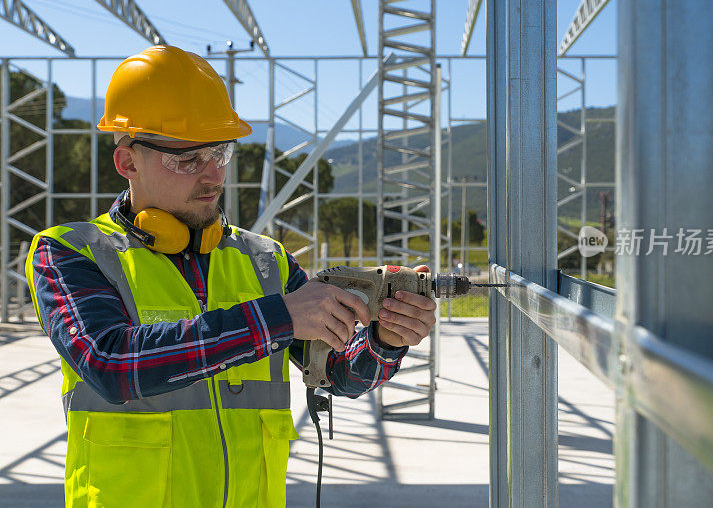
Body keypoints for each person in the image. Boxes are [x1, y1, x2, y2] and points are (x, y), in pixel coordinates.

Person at [24, 45, 437, 508]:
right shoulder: (73, 253)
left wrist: (385, 340)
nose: (213, 176)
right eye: (188, 160)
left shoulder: (266, 261)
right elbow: (112, 363)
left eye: (219, 153)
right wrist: (278, 318)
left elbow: (337, 374)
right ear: (127, 163)